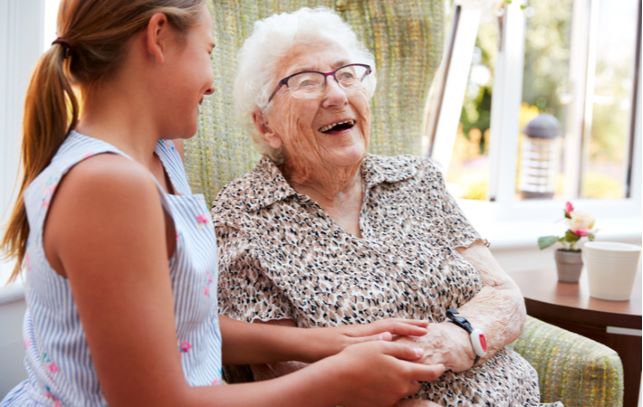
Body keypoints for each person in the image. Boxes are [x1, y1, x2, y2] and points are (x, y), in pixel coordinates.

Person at [0, 1, 446, 406]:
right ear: (158, 36)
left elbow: (185, 330)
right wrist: (336, 380)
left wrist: (329, 342)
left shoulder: (161, 152)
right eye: (209, 52)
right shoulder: (107, 186)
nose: (212, 84)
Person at [214, 7, 562, 406]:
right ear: (265, 125)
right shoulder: (245, 214)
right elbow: (281, 365)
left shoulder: (416, 180)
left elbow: (503, 295)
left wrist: (461, 338)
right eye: (307, 82)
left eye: (347, 75)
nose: (337, 95)